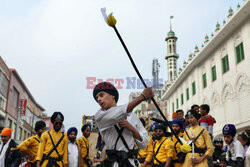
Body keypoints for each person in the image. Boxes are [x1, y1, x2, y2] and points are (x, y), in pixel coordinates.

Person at [94, 82, 150, 167]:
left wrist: (132, 129)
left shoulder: (132, 116)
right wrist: (142, 97)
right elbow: (117, 114)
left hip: (131, 163)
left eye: (101, 95)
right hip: (113, 164)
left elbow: (144, 144)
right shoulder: (100, 116)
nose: (98, 99)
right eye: (97, 97)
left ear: (112, 95)